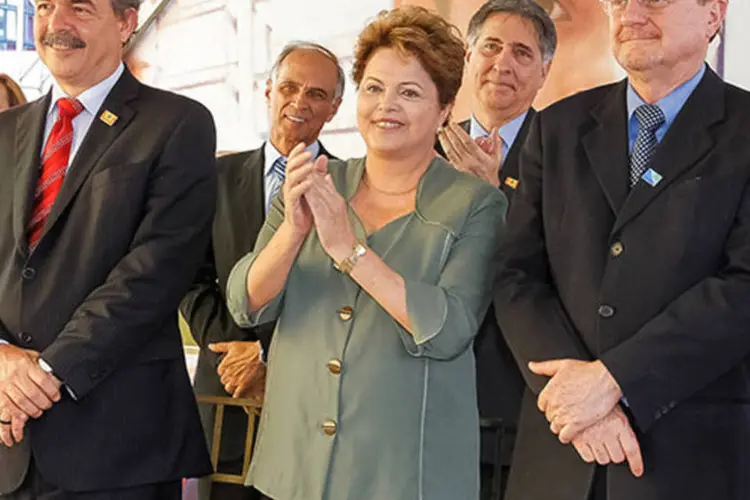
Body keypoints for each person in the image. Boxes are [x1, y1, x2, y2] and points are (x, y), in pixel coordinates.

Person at [225, 6, 507, 500]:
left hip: (404, 476)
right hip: (291, 472)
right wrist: (293, 231)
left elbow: (450, 327)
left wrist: (348, 249)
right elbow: (245, 302)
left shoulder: (475, 203)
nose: (385, 106)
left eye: (409, 92)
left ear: (444, 109)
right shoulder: (314, 180)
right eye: (374, 88)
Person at [494, 1, 745, 499]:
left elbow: (744, 284)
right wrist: (580, 398)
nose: (629, 11)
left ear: (713, 14)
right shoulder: (557, 129)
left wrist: (616, 379)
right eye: (617, 0)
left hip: (688, 458)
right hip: (560, 457)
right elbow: (516, 276)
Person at [0, 0, 217, 496]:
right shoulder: (4, 132)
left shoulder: (177, 125)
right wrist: (4, 362)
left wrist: (43, 377)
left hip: (118, 449)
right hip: (9, 444)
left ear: (126, 22)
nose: (57, 24)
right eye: (45, 6)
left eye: (79, 8)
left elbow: (154, 272)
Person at [180, 40, 343, 500]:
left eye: (316, 94)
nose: (299, 102)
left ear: (334, 108)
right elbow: (191, 279)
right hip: (226, 402)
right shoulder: (211, 179)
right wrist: (238, 356)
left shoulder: (350, 186)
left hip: (312, 410)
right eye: (289, 87)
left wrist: (271, 358)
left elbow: (343, 295)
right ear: (268, 90)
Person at [435, 1, 555, 497]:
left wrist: (496, 197)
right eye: (491, 47)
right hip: (429, 387)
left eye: (522, 53)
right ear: (468, 55)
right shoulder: (427, 145)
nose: (503, 63)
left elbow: (564, 260)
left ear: (544, 71)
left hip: (517, 392)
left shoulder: (566, 148)